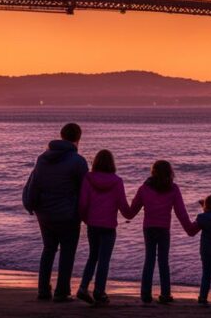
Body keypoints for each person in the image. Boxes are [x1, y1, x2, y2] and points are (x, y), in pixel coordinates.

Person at [22, 123, 89, 303]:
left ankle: (43, 290)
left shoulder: (42, 158)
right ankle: (61, 291)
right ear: (78, 138)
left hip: (44, 213)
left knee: (49, 249)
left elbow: (35, 184)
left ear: (61, 135)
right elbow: (85, 190)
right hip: (68, 214)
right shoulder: (78, 161)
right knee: (67, 251)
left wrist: (32, 205)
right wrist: (85, 213)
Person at [128, 160, 194, 305]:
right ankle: (165, 294)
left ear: (153, 172)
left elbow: (132, 211)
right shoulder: (173, 189)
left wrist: (117, 207)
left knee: (149, 260)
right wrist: (190, 229)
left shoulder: (144, 188)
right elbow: (181, 213)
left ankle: (146, 294)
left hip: (149, 228)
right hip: (164, 229)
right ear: (169, 173)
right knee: (163, 261)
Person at [76, 149, 133, 307]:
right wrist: (134, 211)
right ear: (112, 163)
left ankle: (83, 287)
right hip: (108, 226)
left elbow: (83, 203)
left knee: (92, 257)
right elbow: (123, 207)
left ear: (95, 162)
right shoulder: (117, 181)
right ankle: (99, 292)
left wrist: (85, 219)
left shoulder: (88, 178)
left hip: (92, 224)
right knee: (104, 260)